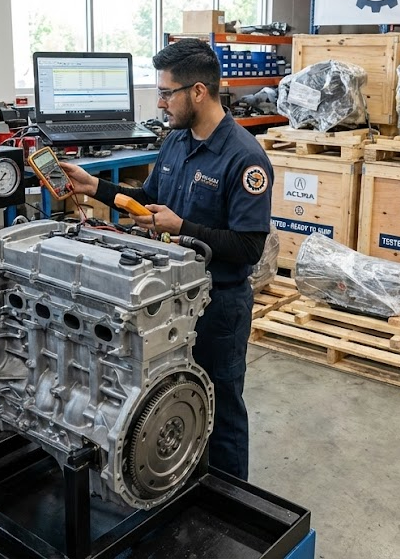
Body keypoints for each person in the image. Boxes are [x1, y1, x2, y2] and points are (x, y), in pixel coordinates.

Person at [60, 38, 273, 480]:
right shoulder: (176, 142)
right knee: (174, 397)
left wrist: (183, 228)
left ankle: (232, 497)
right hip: (170, 300)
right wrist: (94, 187)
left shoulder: (245, 158)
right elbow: (147, 199)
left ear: (198, 92)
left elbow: (249, 248)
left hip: (219, 303)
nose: (160, 103)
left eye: (165, 93)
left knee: (221, 404)